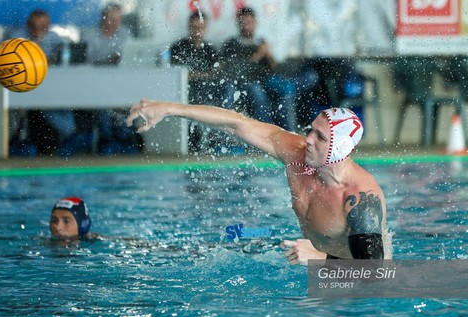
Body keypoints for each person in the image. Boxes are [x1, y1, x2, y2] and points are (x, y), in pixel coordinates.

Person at [126, 100, 388, 265]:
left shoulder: (359, 200)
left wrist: (320, 259)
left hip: (350, 290)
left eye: (319, 137)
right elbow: (236, 123)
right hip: (306, 261)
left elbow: (376, 275)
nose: (307, 139)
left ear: (341, 149)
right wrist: (170, 109)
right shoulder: (297, 156)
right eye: (311, 130)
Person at [6, 9, 78, 156]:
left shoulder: (54, 38)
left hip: (50, 88)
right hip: (22, 88)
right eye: (35, 27)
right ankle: (18, 141)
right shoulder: (16, 38)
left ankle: (69, 137)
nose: (39, 31)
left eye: (43, 27)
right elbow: (9, 65)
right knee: (28, 109)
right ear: (28, 25)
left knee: (60, 107)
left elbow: (64, 60)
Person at [220, 7, 297, 131]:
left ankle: (289, 132)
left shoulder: (261, 41)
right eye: (243, 23)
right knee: (257, 90)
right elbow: (237, 70)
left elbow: (274, 68)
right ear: (238, 24)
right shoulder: (232, 44)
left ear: (255, 23)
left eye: (249, 22)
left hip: (266, 79)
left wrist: (269, 55)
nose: (246, 26)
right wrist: (258, 55)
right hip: (246, 83)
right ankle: (267, 132)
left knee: (287, 90)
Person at [81, 3, 142, 155]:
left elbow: (132, 58)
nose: (115, 23)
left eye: (118, 19)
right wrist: (109, 59)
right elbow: (84, 61)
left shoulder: (125, 34)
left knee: (131, 104)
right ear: (103, 18)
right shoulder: (90, 35)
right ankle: (106, 140)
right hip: (94, 84)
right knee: (103, 110)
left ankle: (125, 139)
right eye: (112, 19)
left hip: (120, 84)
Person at [170, 10, 221, 152]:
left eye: (201, 27)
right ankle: (194, 142)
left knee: (209, 93)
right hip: (183, 88)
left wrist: (195, 75)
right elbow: (177, 74)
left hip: (204, 89)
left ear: (206, 28)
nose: (197, 31)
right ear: (189, 27)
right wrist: (204, 75)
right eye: (194, 27)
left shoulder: (210, 49)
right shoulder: (178, 47)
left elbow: (215, 74)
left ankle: (210, 141)